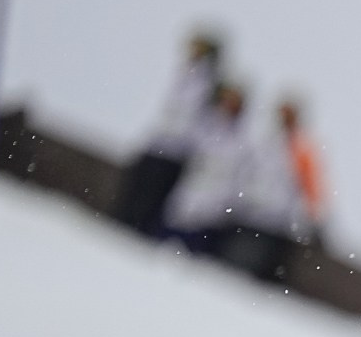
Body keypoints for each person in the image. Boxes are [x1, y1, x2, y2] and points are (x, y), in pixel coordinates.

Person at [164, 82, 306, 281]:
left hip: (261, 221)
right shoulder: (215, 130)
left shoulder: (297, 150)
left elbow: (303, 190)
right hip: (205, 205)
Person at [114, 27, 225, 239]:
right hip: (159, 143)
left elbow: (199, 120)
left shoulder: (209, 82)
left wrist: (186, 141)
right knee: (136, 191)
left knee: (151, 198)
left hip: (177, 151)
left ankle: (138, 230)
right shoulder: (185, 72)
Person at [276, 95, 327, 245]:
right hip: (270, 215)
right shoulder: (269, 143)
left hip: (294, 217)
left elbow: (312, 185)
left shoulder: (302, 147)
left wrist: (313, 213)